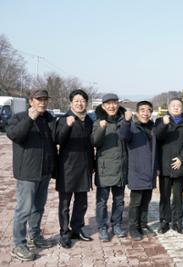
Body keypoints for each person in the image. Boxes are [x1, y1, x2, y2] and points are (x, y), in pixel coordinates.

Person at [6, 89, 56, 261]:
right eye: (39, 99)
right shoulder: (19, 117)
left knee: (38, 207)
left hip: (44, 171)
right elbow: (14, 135)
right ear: (31, 101)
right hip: (27, 173)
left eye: (45, 99)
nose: (42, 102)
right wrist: (30, 118)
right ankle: (18, 244)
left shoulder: (48, 119)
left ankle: (34, 237)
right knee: (24, 209)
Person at [55, 89, 94, 248]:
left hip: (84, 167)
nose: (80, 103)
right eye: (76, 100)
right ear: (71, 103)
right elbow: (58, 140)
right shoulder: (65, 119)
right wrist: (67, 126)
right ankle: (64, 233)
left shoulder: (89, 121)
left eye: (83, 100)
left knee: (82, 202)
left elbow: (91, 145)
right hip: (67, 167)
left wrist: (92, 164)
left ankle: (77, 229)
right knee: (65, 203)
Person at [118, 101, 158, 241]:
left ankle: (143, 224)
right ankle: (133, 228)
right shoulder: (132, 127)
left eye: (148, 110)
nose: (145, 113)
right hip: (137, 171)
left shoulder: (153, 128)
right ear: (137, 112)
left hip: (150, 171)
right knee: (136, 202)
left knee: (146, 201)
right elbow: (123, 135)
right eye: (142, 110)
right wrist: (126, 121)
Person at [91, 93, 128, 242]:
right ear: (103, 106)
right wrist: (101, 128)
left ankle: (117, 225)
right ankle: (102, 227)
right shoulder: (98, 121)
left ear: (118, 104)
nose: (112, 106)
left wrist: (127, 122)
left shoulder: (124, 120)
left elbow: (129, 139)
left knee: (119, 200)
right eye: (108, 104)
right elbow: (94, 142)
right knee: (102, 201)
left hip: (121, 168)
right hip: (104, 168)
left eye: (114, 103)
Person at [155, 98, 183, 234]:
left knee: (178, 197)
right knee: (164, 196)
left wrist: (182, 159)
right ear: (168, 107)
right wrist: (164, 125)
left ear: (182, 108)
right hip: (164, 165)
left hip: (179, 167)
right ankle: (164, 222)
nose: (176, 107)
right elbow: (157, 137)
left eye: (179, 105)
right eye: (173, 105)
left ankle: (177, 222)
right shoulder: (160, 121)